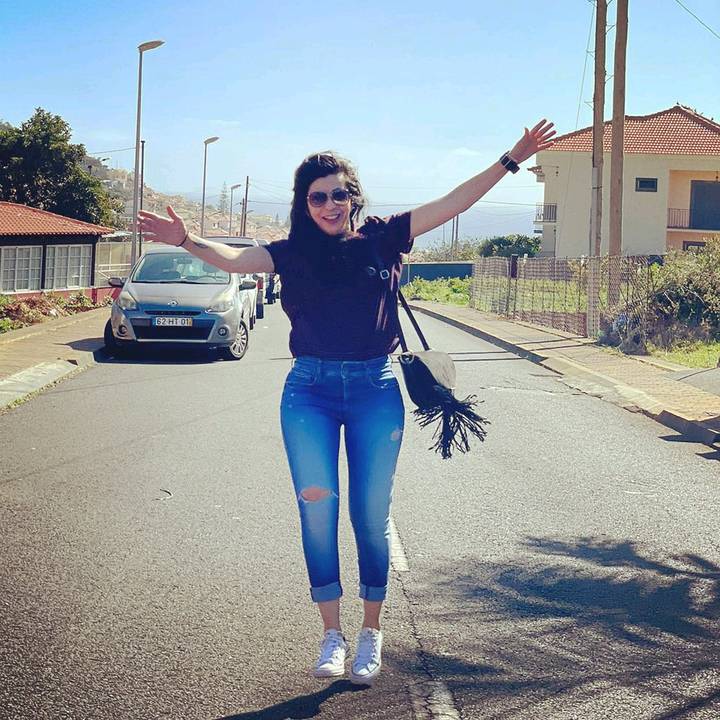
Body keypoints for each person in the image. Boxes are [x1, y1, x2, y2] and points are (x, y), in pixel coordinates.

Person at [137, 119, 555, 685]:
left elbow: (453, 203)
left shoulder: (384, 238)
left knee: (370, 515)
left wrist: (511, 159)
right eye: (318, 197)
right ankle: (331, 633)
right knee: (316, 510)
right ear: (304, 203)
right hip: (308, 390)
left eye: (339, 194)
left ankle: (370, 632)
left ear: (353, 197)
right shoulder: (291, 253)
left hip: (374, 389)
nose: (330, 205)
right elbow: (233, 259)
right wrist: (186, 240)